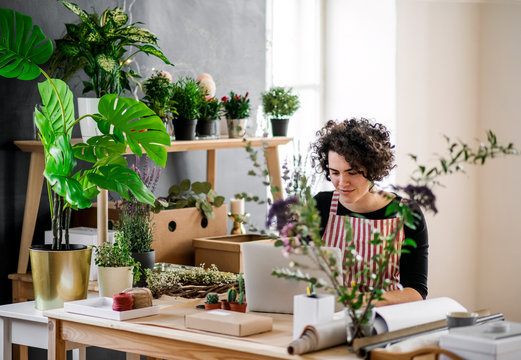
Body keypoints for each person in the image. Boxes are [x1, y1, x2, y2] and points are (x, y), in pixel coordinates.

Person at [311, 118, 428, 306]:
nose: (342, 182)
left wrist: (362, 300)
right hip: (331, 314)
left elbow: (416, 291)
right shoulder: (321, 206)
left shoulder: (407, 213)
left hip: (384, 317)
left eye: (352, 172)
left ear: (373, 170)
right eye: (335, 172)